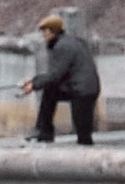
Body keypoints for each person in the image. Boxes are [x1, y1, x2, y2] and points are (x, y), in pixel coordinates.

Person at [21, 11, 101, 145]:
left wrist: (33, 85)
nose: (43, 34)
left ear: (53, 31)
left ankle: (45, 132)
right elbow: (57, 75)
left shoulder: (62, 47)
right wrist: (34, 80)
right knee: (50, 91)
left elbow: (55, 76)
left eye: (45, 31)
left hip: (82, 91)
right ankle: (43, 132)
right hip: (85, 87)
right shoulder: (71, 41)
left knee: (83, 135)